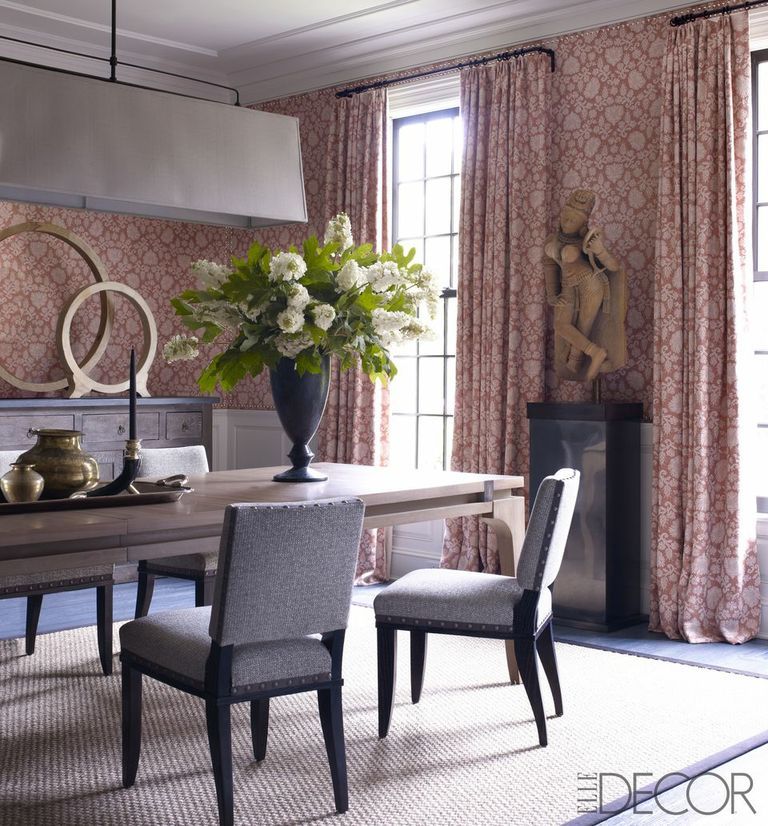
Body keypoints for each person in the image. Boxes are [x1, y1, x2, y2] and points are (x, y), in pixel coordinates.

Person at [543, 190, 627, 382]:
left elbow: (614, 267)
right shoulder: (551, 241)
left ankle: (581, 360)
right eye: (565, 215)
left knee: (584, 326)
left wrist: (600, 250)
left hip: (590, 285)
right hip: (568, 287)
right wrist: (552, 294)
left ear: (583, 225)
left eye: (573, 219)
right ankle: (595, 352)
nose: (566, 221)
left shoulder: (584, 242)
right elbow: (550, 268)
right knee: (561, 325)